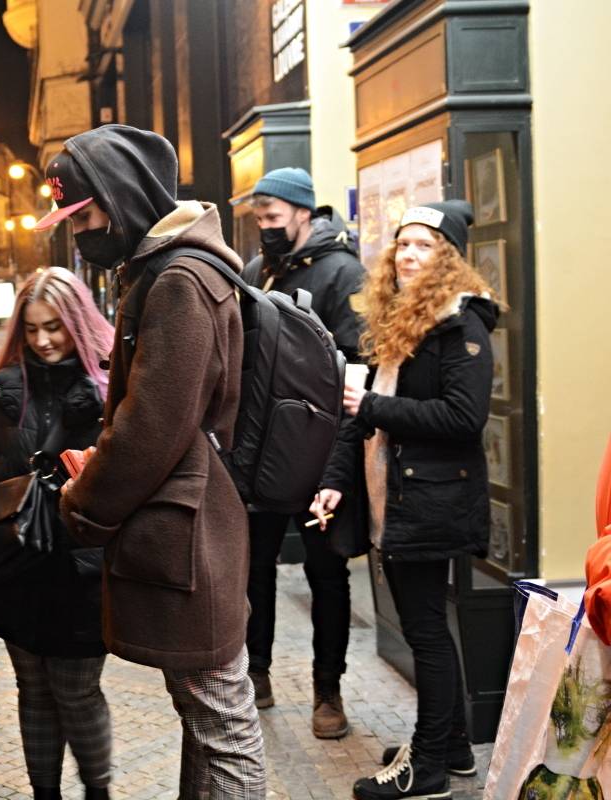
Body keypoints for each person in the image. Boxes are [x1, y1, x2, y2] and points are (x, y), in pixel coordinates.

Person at [37, 124, 267, 797]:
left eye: (87, 214)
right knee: (209, 717)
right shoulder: (175, 269)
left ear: (120, 195)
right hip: (193, 524)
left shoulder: (178, 280)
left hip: (189, 537)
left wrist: (85, 503)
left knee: (223, 724)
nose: (82, 231)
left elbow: (152, 428)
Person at [312, 200, 496, 800]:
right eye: (403, 245)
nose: (409, 255)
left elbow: (463, 417)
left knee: (425, 631)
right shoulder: (401, 321)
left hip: (433, 501)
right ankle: (454, 747)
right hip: (398, 496)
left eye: (424, 245)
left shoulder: (460, 323)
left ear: (448, 257)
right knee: (429, 626)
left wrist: (371, 408)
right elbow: (357, 418)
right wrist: (336, 479)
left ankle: (429, 769)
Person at [0, 267, 115, 800]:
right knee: (33, 690)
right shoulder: (4, 386)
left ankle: (98, 792)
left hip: (80, 567)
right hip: (16, 561)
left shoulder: (111, 385)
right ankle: (45, 793)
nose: (43, 340)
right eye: (31, 329)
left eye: (55, 327)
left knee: (76, 691)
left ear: (78, 323)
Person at [239, 166, 366, 736]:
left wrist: (338, 462)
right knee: (252, 568)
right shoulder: (255, 271)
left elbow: (355, 378)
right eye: (258, 218)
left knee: (326, 573)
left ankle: (327, 693)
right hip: (261, 454)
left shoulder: (344, 274)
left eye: (272, 217)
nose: (264, 227)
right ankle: (256, 674)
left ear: (303, 213)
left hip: (317, 456)